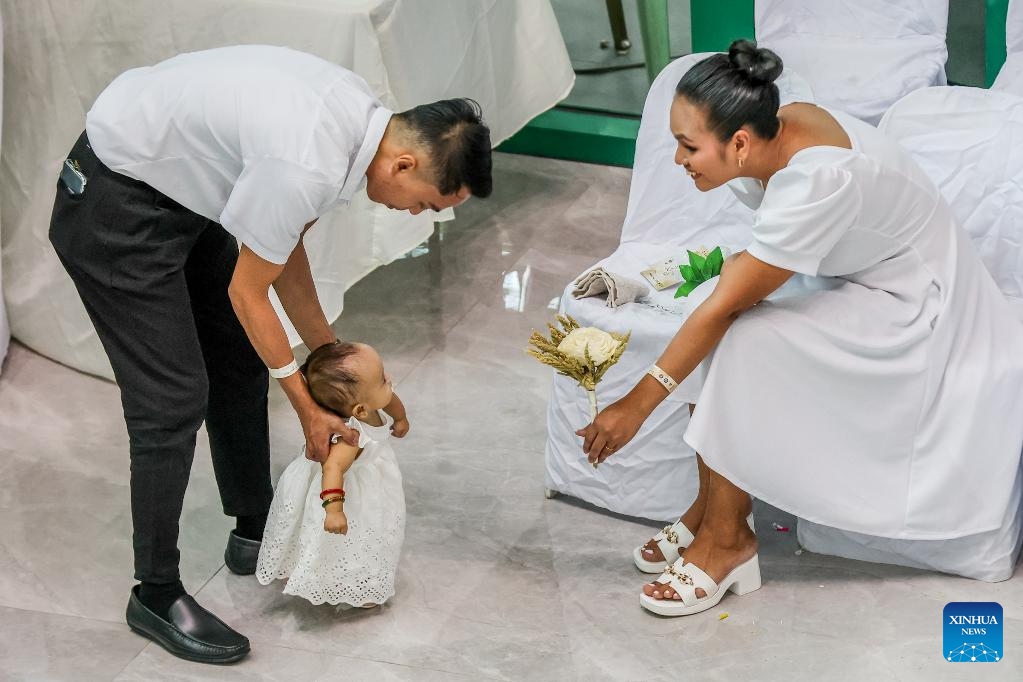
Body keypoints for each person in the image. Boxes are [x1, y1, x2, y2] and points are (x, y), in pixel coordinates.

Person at [48, 45, 491, 662]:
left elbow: (285, 258)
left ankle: (255, 527)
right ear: (405, 163)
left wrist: (334, 359)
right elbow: (248, 289)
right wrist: (308, 406)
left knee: (235, 357)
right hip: (112, 200)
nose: (416, 214)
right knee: (172, 399)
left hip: (179, 194)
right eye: (425, 203)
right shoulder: (309, 158)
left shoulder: (355, 124)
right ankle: (154, 591)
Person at [577, 39, 1023, 617]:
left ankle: (728, 542)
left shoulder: (817, 180)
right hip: (857, 273)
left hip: (920, 305)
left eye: (688, 146)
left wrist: (635, 406)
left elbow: (725, 308)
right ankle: (709, 509)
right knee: (724, 323)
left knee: (739, 338)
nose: (679, 160)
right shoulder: (776, 126)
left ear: (739, 142)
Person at [257, 341, 407, 608]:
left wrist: (401, 418)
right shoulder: (351, 438)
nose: (390, 379)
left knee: (373, 536)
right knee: (352, 541)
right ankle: (352, 584)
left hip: (372, 487)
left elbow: (392, 402)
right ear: (360, 410)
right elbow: (333, 469)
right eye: (383, 379)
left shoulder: (373, 401)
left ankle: (361, 580)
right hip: (349, 496)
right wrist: (334, 510)